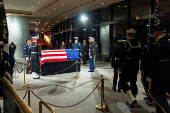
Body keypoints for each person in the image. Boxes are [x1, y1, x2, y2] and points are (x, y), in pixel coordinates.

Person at [118, 29, 142, 109]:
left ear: (128, 35)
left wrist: (119, 66)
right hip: (135, 65)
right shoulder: (138, 43)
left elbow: (121, 57)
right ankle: (131, 101)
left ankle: (131, 98)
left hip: (127, 65)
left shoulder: (125, 44)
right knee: (133, 82)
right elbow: (140, 56)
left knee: (122, 82)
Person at [148, 27, 170, 113]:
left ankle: (166, 109)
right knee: (161, 92)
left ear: (156, 33)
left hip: (158, 73)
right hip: (167, 72)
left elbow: (153, 61)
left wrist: (149, 74)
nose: (153, 35)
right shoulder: (168, 43)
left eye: (153, 33)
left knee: (152, 92)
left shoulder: (156, 44)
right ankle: (159, 110)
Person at [140, 34, 154, 105]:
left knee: (145, 82)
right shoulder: (156, 46)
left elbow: (143, 58)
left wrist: (141, 67)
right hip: (154, 67)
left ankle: (149, 97)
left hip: (147, 67)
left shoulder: (146, 47)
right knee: (152, 83)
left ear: (149, 39)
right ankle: (152, 97)